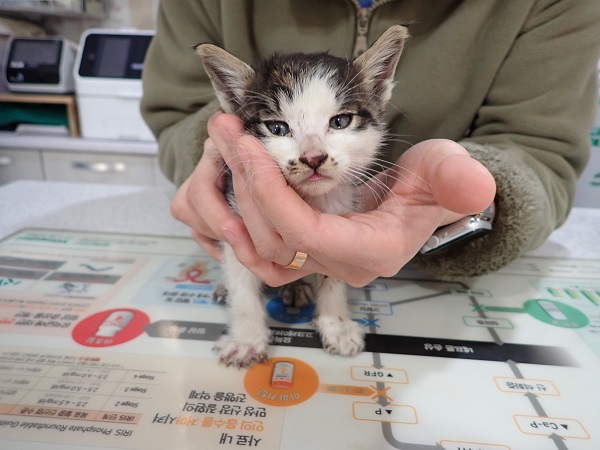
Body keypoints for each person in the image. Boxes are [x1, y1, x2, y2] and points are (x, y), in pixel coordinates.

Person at [141, 0, 600, 287]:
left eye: (340, 120)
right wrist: (214, 159)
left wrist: (467, 206)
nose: (314, 154)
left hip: (432, 276)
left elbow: (541, 149)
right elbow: (176, 112)